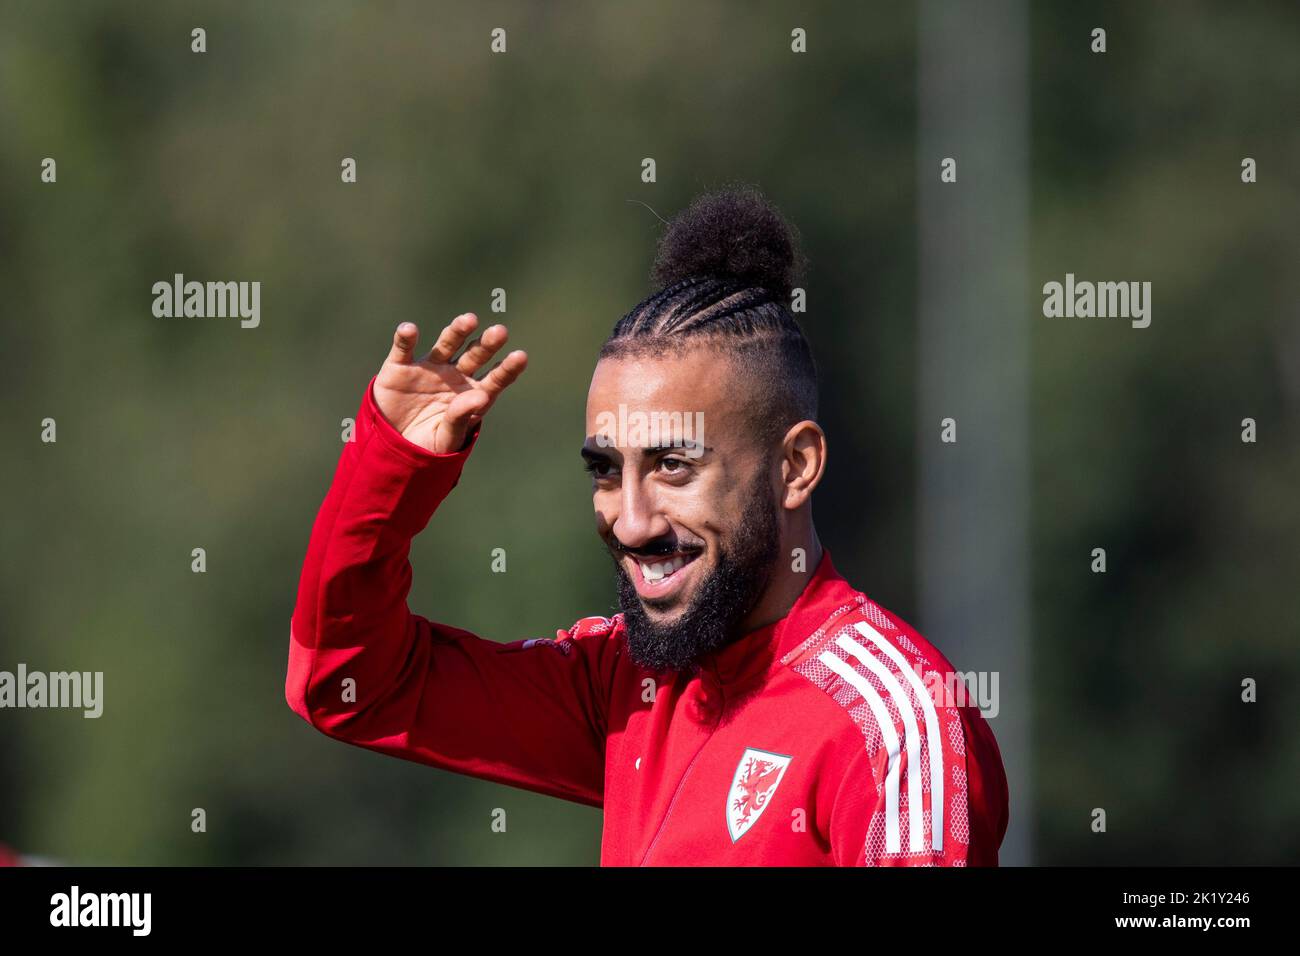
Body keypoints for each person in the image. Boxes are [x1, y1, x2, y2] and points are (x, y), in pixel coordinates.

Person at [286, 185, 1009, 865]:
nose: (630, 523)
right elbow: (350, 682)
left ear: (796, 466)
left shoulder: (894, 724)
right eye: (606, 470)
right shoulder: (627, 684)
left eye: (672, 467)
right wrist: (392, 467)